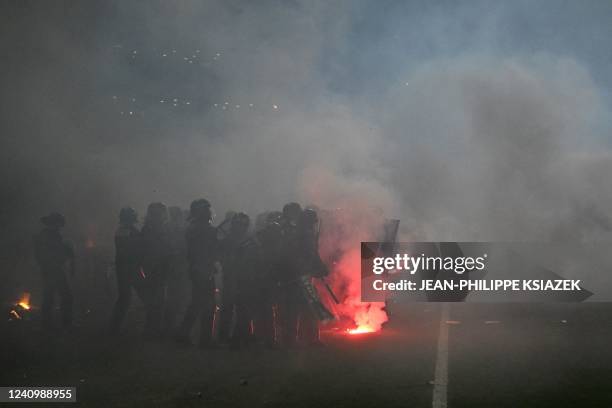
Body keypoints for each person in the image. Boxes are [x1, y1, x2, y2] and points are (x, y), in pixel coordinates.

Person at [176, 199, 220, 348]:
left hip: (200, 270)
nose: (209, 212)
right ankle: (203, 338)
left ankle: (186, 334)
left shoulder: (194, 229)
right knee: (205, 305)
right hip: (201, 271)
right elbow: (207, 251)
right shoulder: (202, 230)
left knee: (199, 304)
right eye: (206, 209)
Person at [34, 212, 75, 331]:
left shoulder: (49, 235)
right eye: (57, 223)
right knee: (64, 296)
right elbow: (54, 254)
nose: (59, 226)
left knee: (50, 296)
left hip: (51, 269)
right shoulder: (49, 236)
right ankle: (64, 324)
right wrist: (67, 250)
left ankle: (47, 325)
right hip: (53, 270)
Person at [109, 207, 146, 334]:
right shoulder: (131, 231)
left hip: (122, 268)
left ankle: (114, 327)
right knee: (146, 296)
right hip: (131, 268)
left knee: (124, 297)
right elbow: (137, 249)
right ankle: (149, 327)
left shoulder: (120, 231)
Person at [140, 202, 172, 338]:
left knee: (156, 301)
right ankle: (152, 330)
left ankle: (152, 329)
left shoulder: (151, 228)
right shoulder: (152, 229)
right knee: (156, 301)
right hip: (155, 268)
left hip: (156, 267)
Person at [163, 206, 188, 335]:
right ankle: (170, 326)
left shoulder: (168, 227)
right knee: (176, 297)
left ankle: (170, 325)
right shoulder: (177, 228)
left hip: (175, 266)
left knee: (175, 297)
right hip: (176, 267)